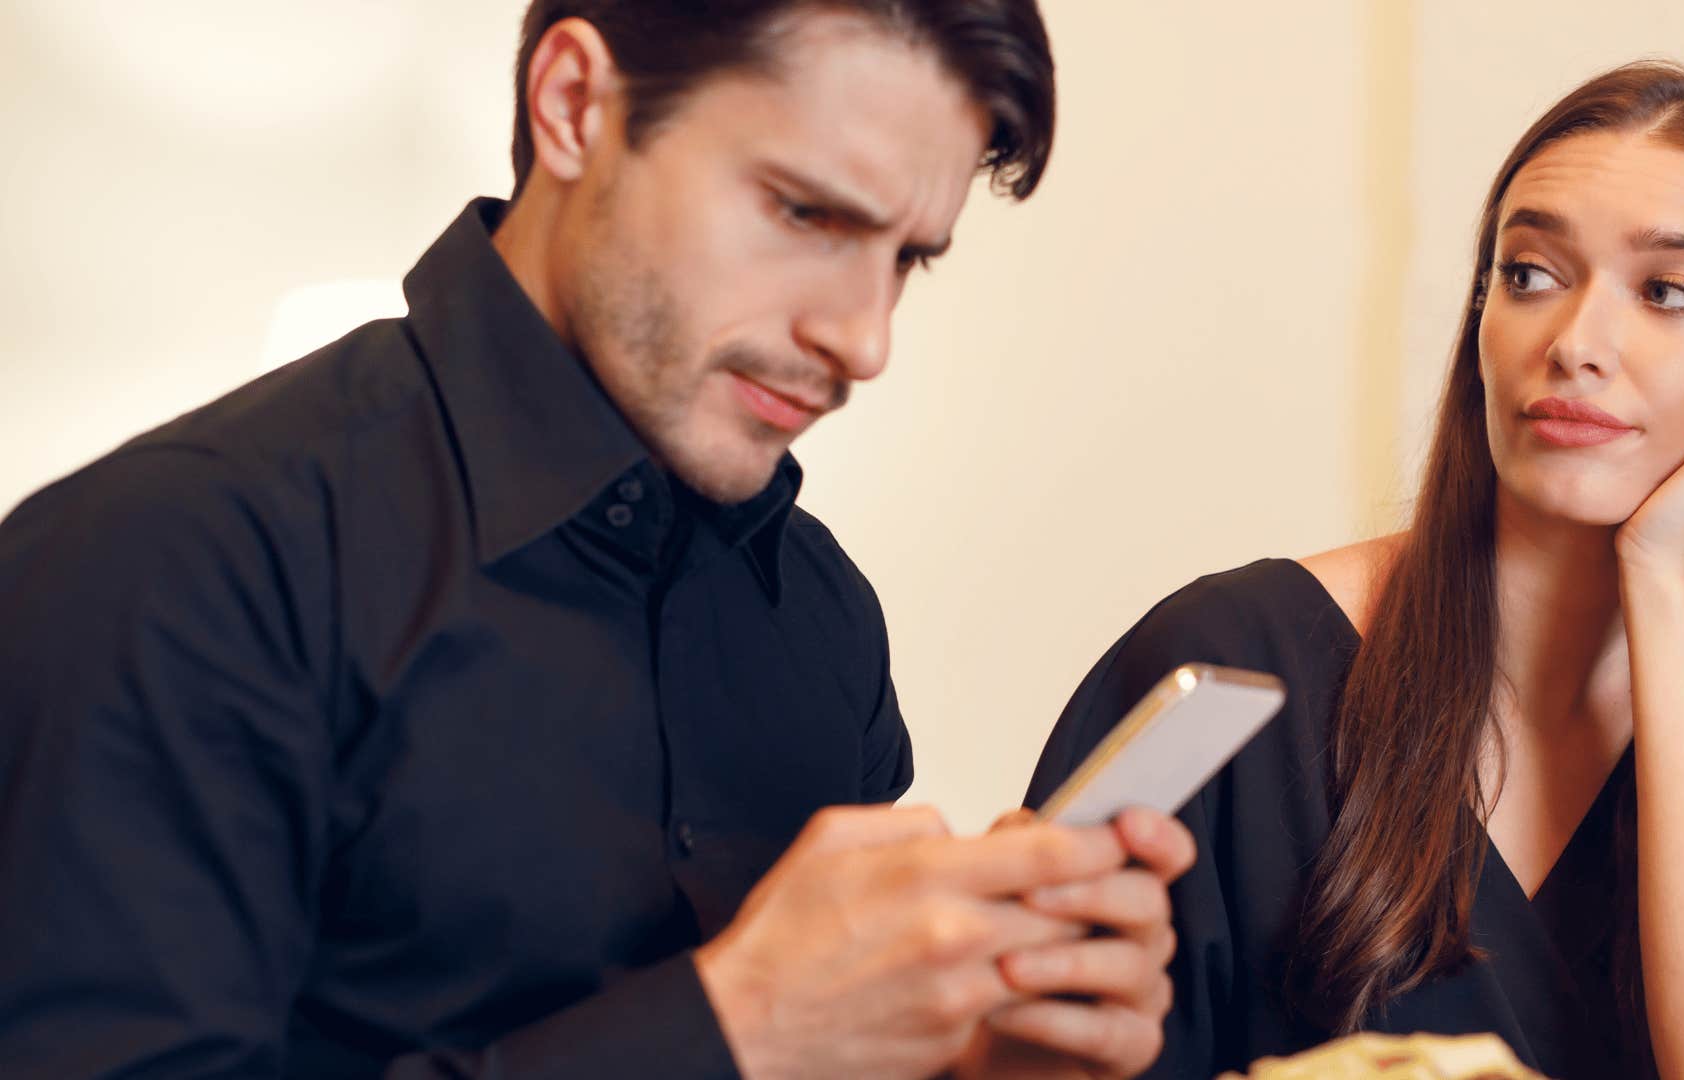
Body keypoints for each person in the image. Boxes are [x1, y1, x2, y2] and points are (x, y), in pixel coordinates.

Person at [0, 3, 1193, 1077]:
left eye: (907, 259)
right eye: (807, 211)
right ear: (574, 105)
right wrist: (736, 1029)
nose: (864, 338)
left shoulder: (822, 614)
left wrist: (980, 1065)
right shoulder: (170, 561)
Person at [1028, 61, 1684, 1080]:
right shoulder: (1228, 661)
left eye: (1667, 292)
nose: (1575, 343)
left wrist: (1661, 576)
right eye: (1529, 274)